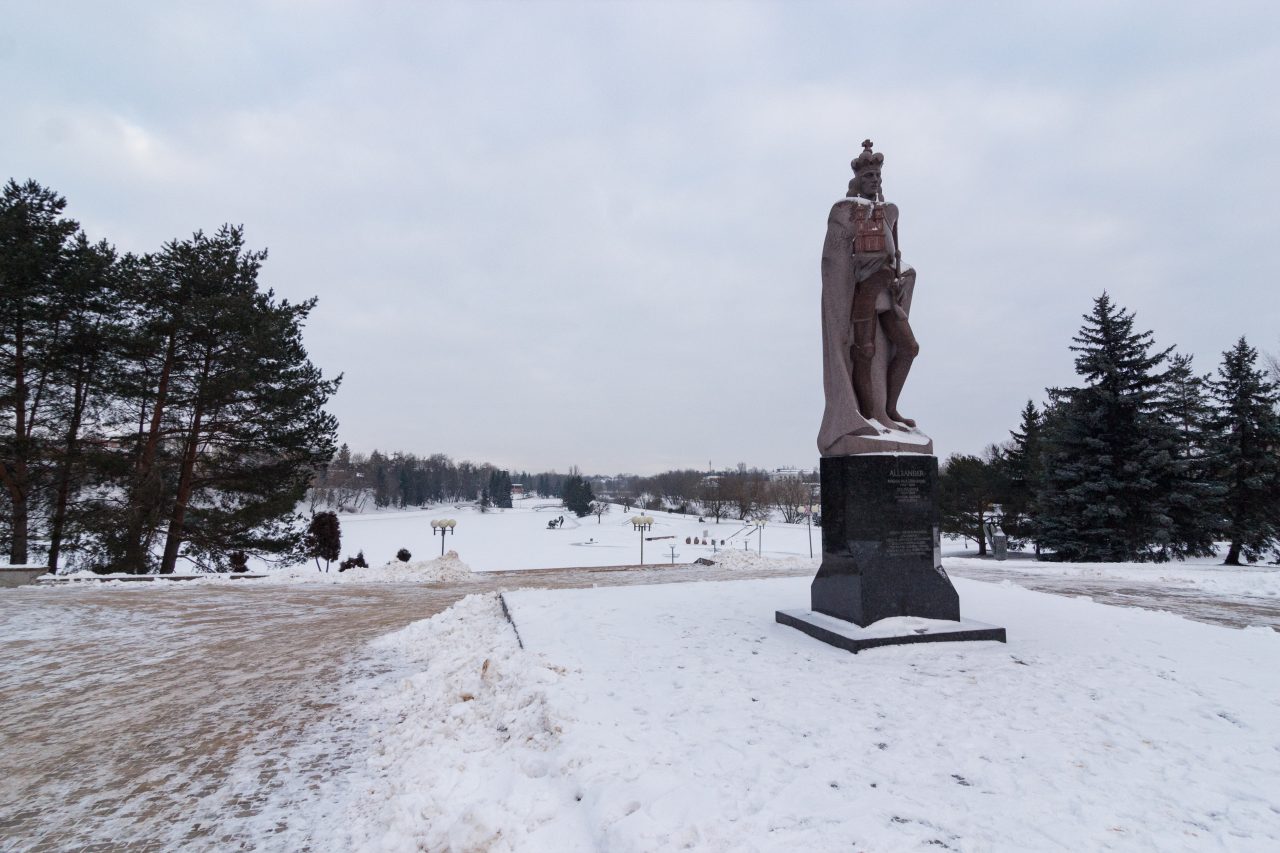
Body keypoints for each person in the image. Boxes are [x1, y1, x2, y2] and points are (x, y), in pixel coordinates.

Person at [817, 140, 930, 457]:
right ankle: (873, 414)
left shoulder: (889, 211)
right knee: (864, 352)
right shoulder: (846, 211)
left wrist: (902, 275)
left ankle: (890, 409)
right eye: (869, 176)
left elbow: (896, 254)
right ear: (858, 179)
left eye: (878, 175)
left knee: (909, 348)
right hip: (864, 292)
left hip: (887, 292)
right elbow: (835, 259)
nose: (875, 180)